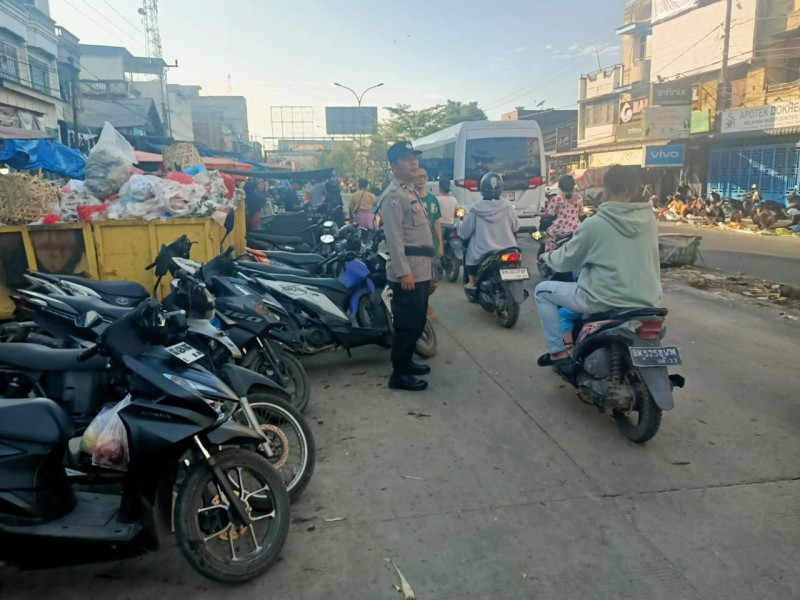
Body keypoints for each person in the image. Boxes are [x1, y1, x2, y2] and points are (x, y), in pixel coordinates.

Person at [534, 165, 662, 366]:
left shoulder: (596, 223)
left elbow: (566, 261)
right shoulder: (649, 220)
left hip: (603, 298)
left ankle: (557, 352)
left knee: (542, 291)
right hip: (647, 299)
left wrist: (547, 257)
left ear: (608, 190)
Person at [379, 141, 434, 392]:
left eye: (414, 157)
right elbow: (394, 238)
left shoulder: (409, 191)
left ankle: (408, 362)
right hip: (408, 271)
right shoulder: (394, 196)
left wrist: (430, 270)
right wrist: (404, 272)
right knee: (406, 324)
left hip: (420, 268)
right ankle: (399, 375)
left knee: (418, 321)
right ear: (393, 166)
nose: (413, 162)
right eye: (406, 158)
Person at [455, 171, 520, 289]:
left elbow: (465, 232)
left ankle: (472, 282)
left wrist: (459, 225)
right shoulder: (508, 206)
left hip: (483, 252)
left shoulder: (475, 209)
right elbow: (516, 227)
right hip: (508, 248)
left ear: (482, 189)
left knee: (470, 255)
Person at [542, 175, 583, 252]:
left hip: (560, 227)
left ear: (560, 187)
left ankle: (548, 254)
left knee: (547, 237)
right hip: (576, 227)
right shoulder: (579, 198)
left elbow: (549, 214)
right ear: (573, 186)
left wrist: (538, 214)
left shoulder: (557, 198)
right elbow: (581, 213)